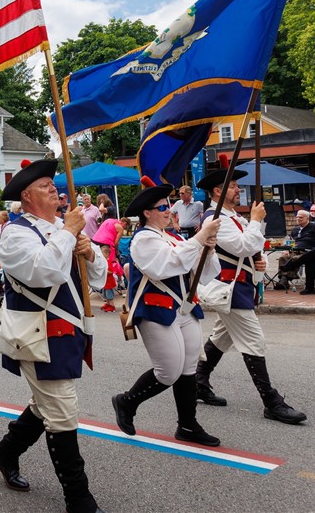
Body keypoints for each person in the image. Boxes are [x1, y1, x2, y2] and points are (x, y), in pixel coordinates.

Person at [0, 159, 107, 512]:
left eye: (51, 183)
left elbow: (98, 278)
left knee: (46, 406)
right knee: (62, 411)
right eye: (44, 185)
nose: (53, 188)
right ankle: (78, 499)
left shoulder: (63, 226)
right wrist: (69, 234)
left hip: (67, 330)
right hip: (38, 334)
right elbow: (43, 271)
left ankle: (5, 452)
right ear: (26, 196)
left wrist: (90, 253)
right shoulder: (14, 233)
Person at [111, 180, 222, 446]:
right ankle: (127, 401)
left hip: (185, 307)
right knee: (168, 371)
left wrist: (208, 248)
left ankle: (188, 425)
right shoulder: (143, 239)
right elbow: (165, 266)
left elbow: (204, 273)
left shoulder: (174, 237)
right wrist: (198, 239)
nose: (168, 211)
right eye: (162, 207)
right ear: (147, 213)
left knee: (188, 368)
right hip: (155, 310)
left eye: (169, 206)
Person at [193, 167, 307, 425]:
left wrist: (259, 260)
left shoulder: (233, 216)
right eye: (232, 186)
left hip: (239, 286)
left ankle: (199, 382)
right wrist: (255, 220)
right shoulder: (216, 218)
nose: (238, 190)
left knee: (221, 338)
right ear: (218, 191)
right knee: (254, 342)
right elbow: (242, 245)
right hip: (229, 289)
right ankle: (271, 401)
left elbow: (252, 247)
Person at [274, 210, 315, 290]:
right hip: (294, 251)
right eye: (297, 217)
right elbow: (291, 241)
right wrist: (286, 248)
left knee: (293, 259)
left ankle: (284, 280)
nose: (298, 219)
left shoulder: (314, 227)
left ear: (307, 218)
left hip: (307, 252)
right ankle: (284, 279)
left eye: (301, 217)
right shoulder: (295, 230)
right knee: (283, 258)